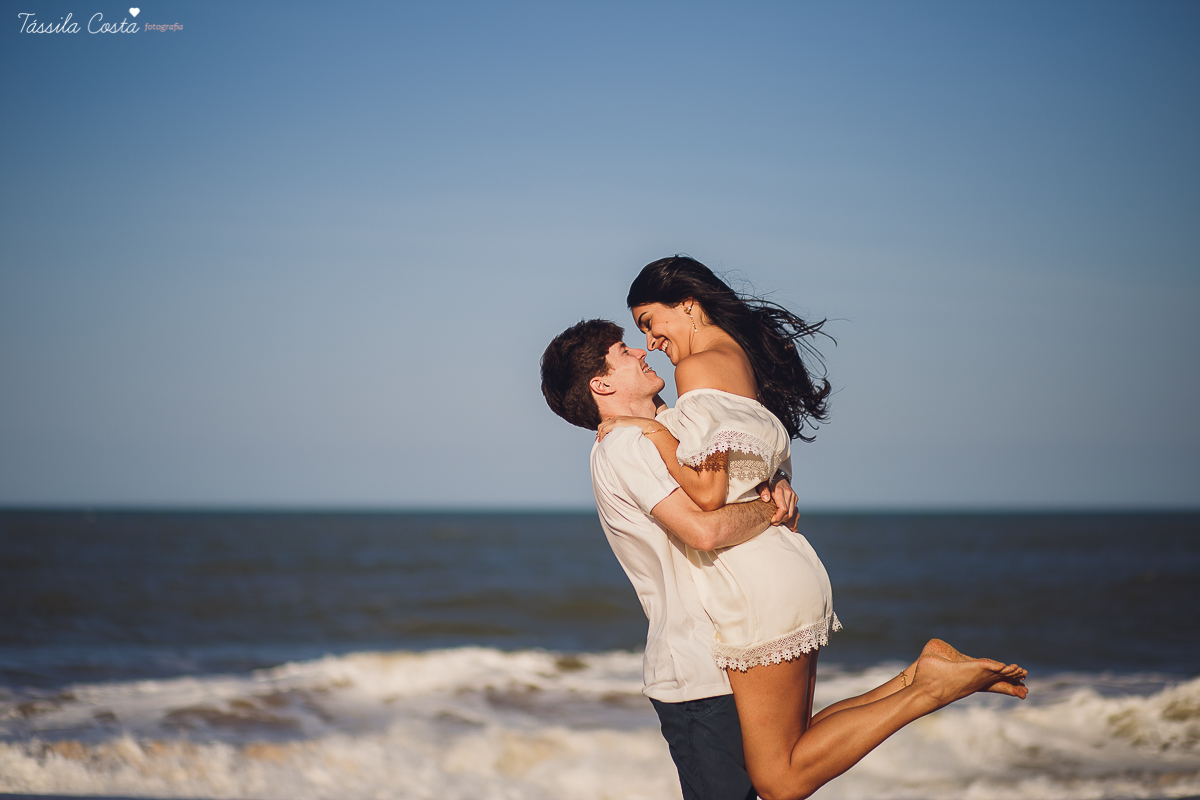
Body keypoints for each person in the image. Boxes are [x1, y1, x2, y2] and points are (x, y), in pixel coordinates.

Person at [543, 262, 1028, 800]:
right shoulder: (632, 441)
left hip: (712, 649)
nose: (645, 347)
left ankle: (928, 687)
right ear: (601, 384)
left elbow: (706, 522)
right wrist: (770, 501)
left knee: (780, 777)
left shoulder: (663, 425)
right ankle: (920, 679)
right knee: (796, 750)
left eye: (643, 330)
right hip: (737, 620)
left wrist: (768, 494)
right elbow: (716, 510)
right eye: (626, 349)